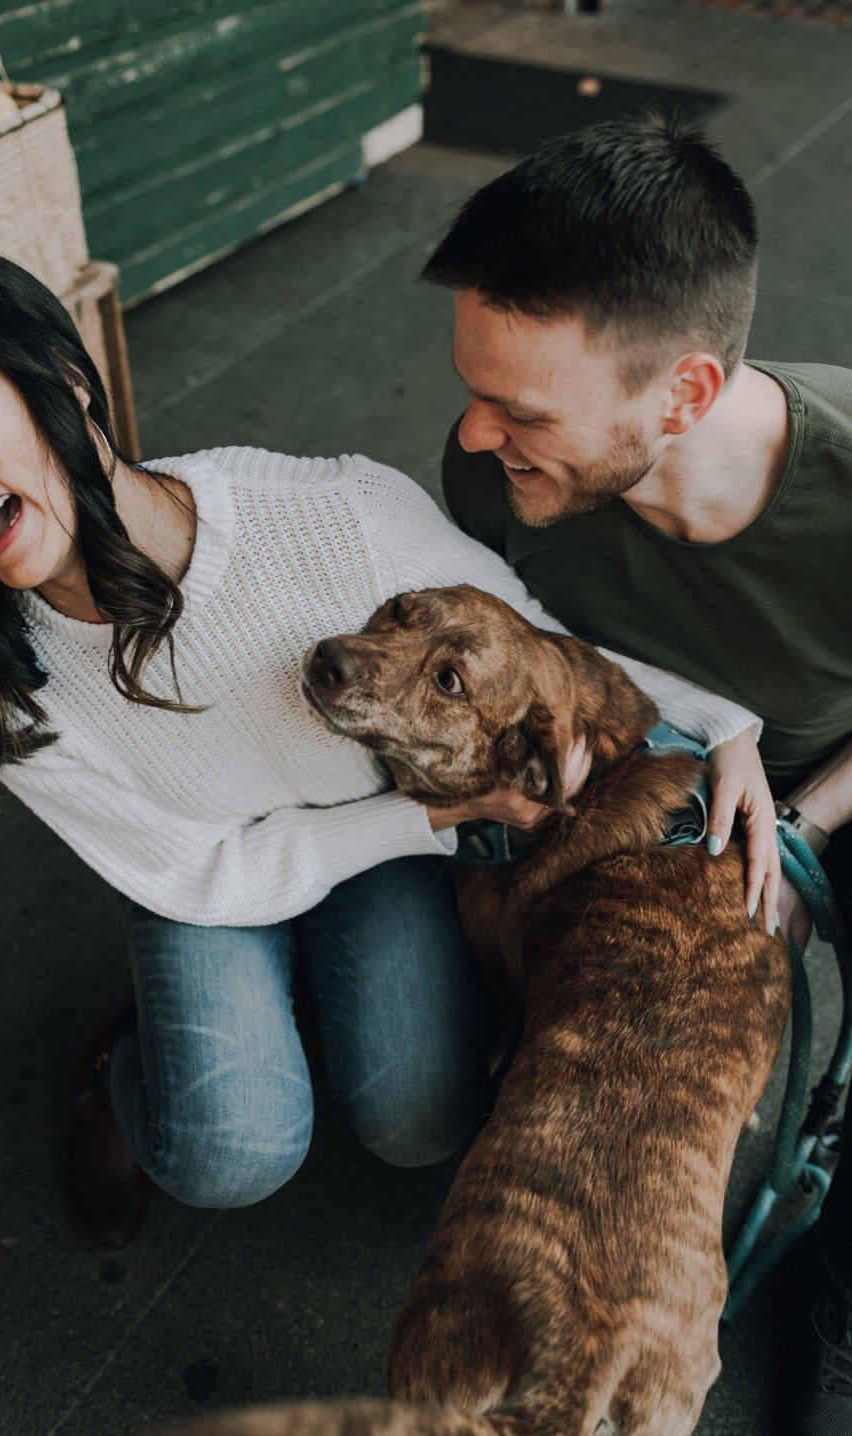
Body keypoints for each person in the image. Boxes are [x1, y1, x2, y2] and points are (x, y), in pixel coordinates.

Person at [0, 245, 771, 1256]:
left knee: (420, 1119)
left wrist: (718, 724)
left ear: (63, 381)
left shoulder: (332, 514)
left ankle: (290, 1005)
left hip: (368, 835)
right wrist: (433, 816)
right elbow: (194, 866)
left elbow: (528, 640)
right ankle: (114, 1077)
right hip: (203, 867)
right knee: (229, 1149)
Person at [422, 113, 852, 1434]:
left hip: (820, 787)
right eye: (475, 386)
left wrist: (796, 828)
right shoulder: (494, 476)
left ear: (687, 395)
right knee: (414, 1100)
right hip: (612, 805)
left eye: (524, 407)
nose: (478, 434)